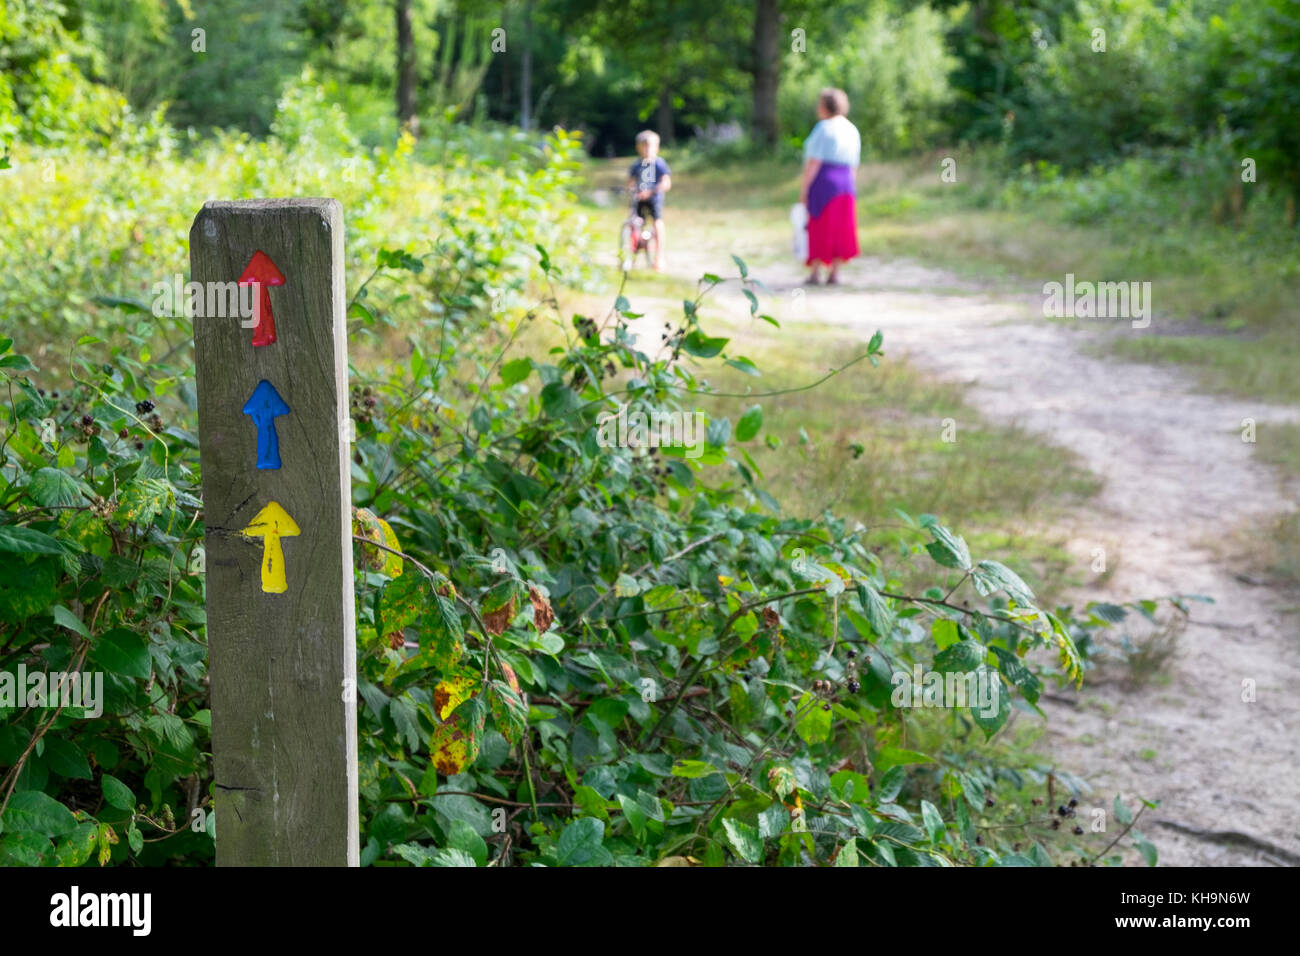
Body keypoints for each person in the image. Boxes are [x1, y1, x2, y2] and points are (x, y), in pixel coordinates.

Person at [799, 88, 860, 285]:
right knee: (841, 227)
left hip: (824, 180)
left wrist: (805, 188)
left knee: (819, 225)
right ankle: (835, 273)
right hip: (846, 183)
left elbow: (814, 162)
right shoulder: (852, 129)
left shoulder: (823, 128)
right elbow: (854, 165)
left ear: (825, 106)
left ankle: (816, 272)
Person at [628, 130, 672, 271]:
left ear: (656, 148)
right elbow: (631, 182)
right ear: (638, 148)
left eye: (650, 146)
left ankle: (659, 257)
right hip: (639, 199)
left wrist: (651, 192)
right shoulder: (636, 165)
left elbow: (666, 183)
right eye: (644, 146)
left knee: (657, 223)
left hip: (654, 199)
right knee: (633, 223)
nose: (647, 150)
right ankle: (630, 256)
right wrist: (633, 191)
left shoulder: (659, 164)